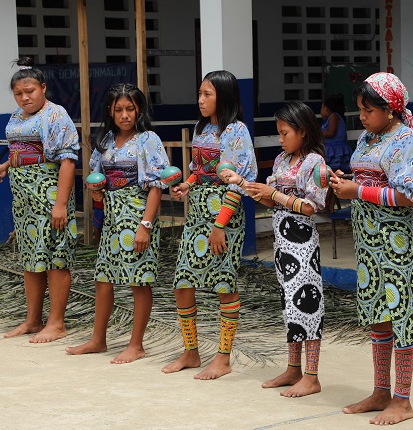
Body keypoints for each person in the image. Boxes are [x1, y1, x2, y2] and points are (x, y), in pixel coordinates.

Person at [330, 73, 413, 425]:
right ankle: (380, 391)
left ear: (390, 109)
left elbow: (408, 196)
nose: (362, 116)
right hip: (368, 241)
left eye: (368, 110)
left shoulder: (406, 140)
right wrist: (343, 181)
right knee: (377, 312)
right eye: (360, 109)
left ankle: (403, 400)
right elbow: (365, 179)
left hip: (394, 240)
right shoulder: (371, 137)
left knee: (400, 312)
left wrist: (357, 191)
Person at [162, 70, 257, 380]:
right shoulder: (202, 129)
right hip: (198, 216)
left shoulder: (237, 131)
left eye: (207, 94)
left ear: (224, 97)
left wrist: (220, 226)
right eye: (200, 94)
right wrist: (188, 184)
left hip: (224, 219)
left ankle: (223, 357)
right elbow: (198, 170)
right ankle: (191, 352)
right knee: (182, 282)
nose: (200, 100)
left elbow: (237, 184)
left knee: (223, 285)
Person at [65, 84, 169, 364]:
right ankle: (98, 340)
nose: (125, 115)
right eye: (118, 109)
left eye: (130, 109)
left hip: (138, 220)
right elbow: (96, 177)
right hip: (111, 222)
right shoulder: (107, 141)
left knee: (139, 281)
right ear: (110, 112)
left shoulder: (149, 140)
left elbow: (157, 186)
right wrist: (96, 190)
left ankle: (137, 345)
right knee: (103, 280)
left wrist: (145, 225)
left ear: (139, 110)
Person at [0, 57, 79, 343]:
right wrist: (4, 167)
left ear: (43, 88)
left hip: (49, 195)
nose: (25, 97)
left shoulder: (56, 115)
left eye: (30, 91)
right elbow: (20, 152)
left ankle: (57, 323)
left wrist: (61, 203)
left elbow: (67, 160)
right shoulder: (17, 117)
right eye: (19, 93)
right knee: (31, 258)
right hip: (24, 199)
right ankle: (32, 320)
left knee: (55, 257)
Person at [241, 101, 327, 398]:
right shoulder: (280, 161)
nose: (280, 138)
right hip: (282, 244)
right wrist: (257, 193)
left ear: (302, 131)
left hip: (302, 244)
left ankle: (312, 376)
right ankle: (293, 369)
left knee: (308, 306)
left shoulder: (315, 163)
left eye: (284, 132)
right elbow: (272, 201)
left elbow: (311, 207)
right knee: (290, 304)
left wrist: (274, 193)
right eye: (278, 133)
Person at [320, 93, 353, 172]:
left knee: (334, 171)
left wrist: (317, 132)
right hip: (332, 149)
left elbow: (331, 133)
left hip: (336, 152)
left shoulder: (333, 116)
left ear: (328, 108)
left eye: (322, 107)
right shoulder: (329, 118)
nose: (321, 110)